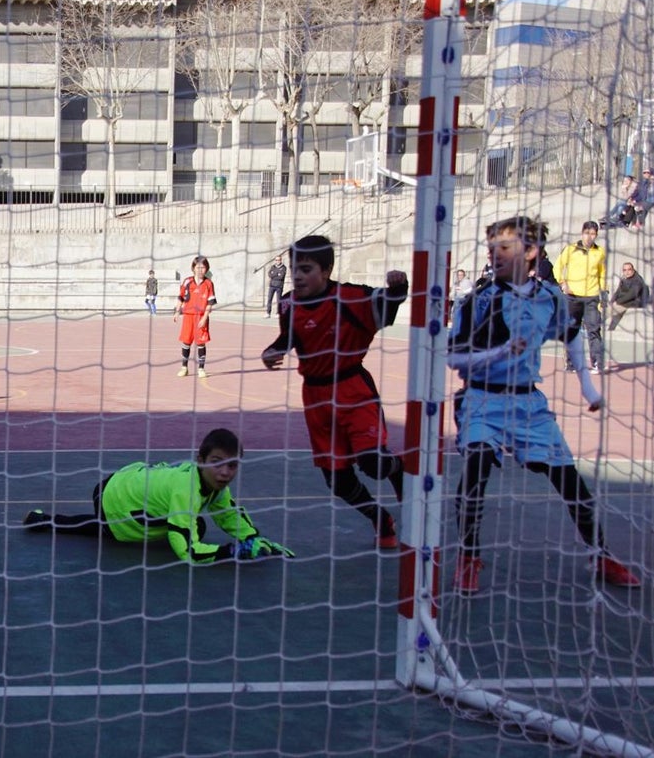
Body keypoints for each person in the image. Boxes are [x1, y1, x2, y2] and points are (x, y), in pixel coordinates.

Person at [448, 215, 640, 594]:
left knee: (569, 480)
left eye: (505, 247)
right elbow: (454, 358)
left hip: (528, 404)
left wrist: (589, 388)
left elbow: (571, 335)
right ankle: (469, 557)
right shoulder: (478, 300)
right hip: (482, 399)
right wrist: (500, 352)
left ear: (531, 251)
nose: (495, 254)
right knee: (475, 472)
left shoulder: (549, 297)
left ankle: (601, 554)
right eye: (492, 247)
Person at [260, 234, 409, 550]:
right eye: (294, 269)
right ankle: (380, 518)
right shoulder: (288, 303)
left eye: (306, 269)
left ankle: (400, 470)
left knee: (373, 463)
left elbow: (387, 305)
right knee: (337, 480)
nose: (297, 276)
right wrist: (273, 350)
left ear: (326, 271)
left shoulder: (351, 298)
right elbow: (289, 337)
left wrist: (399, 288)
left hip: (353, 390)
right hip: (316, 399)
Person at [22, 428, 295, 564]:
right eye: (217, 463)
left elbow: (227, 515)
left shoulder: (213, 482)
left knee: (195, 525)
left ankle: (44, 519)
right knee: (107, 531)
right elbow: (187, 553)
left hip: (125, 481)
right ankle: (44, 520)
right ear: (200, 460)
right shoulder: (185, 490)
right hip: (111, 499)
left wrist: (253, 538)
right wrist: (233, 551)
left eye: (232, 465)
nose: (225, 472)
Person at [553, 221, 607, 373]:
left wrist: (604, 292)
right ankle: (571, 363)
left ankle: (597, 363)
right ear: (582, 233)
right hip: (573, 297)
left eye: (593, 234)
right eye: (587, 233)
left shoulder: (600, 252)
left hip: (592, 297)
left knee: (594, 329)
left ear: (596, 235)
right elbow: (557, 267)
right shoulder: (571, 249)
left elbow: (602, 273)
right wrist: (562, 283)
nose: (590, 237)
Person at [173, 255, 216, 378]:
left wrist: (204, 317)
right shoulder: (187, 281)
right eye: (198, 267)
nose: (200, 270)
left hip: (201, 316)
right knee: (186, 341)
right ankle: (184, 367)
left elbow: (210, 302)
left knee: (201, 342)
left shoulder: (208, 283)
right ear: (193, 268)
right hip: (188, 316)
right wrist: (177, 311)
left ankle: (201, 369)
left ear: (207, 268)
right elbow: (181, 297)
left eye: (203, 267)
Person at [607, 262, 647, 331]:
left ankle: (606, 327)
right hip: (625, 301)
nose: (627, 272)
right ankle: (610, 328)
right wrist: (612, 301)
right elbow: (618, 292)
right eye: (624, 270)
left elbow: (632, 294)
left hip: (635, 302)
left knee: (612, 309)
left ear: (633, 270)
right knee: (609, 307)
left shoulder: (637, 280)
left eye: (629, 269)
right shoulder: (624, 278)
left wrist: (618, 302)